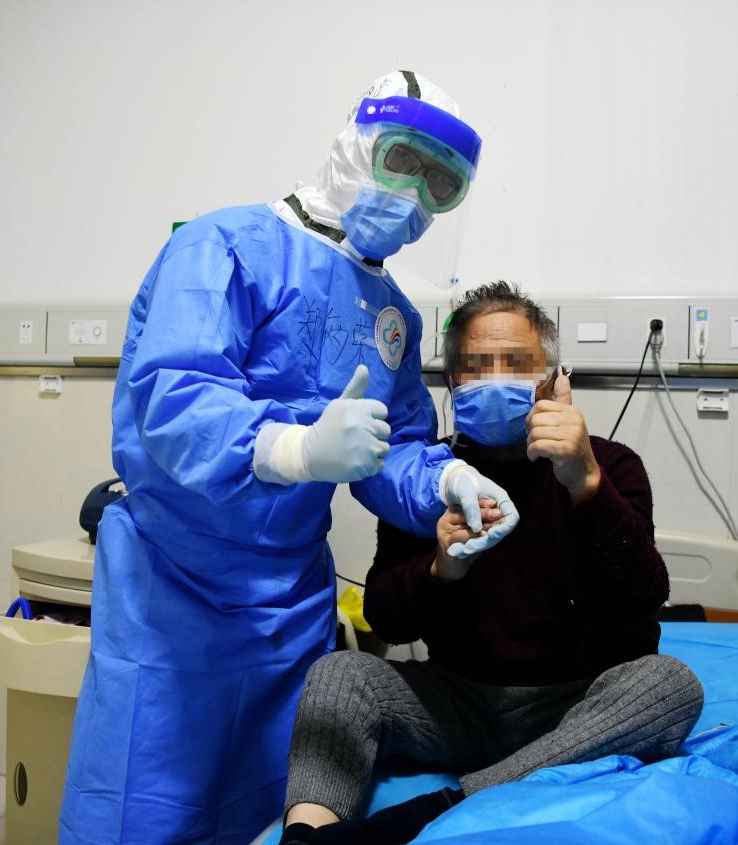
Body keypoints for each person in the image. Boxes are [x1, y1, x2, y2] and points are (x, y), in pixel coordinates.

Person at [59, 74, 521, 845]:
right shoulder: (223, 246)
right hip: (173, 586)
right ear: (355, 144)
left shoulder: (392, 315)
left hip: (291, 600)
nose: (413, 195)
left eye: (439, 183)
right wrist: (296, 447)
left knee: (273, 804)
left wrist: (443, 477)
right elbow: (173, 398)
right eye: (402, 160)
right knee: (146, 802)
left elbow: (391, 448)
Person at [277, 282, 704, 845]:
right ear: (453, 383)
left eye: (516, 364)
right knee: (340, 673)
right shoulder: (427, 476)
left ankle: (451, 804)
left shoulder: (609, 465)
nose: (496, 379)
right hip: (458, 704)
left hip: (576, 705)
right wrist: (440, 570)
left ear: (552, 378)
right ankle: (306, 836)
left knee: (670, 684)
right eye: (476, 366)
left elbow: (643, 596)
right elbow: (385, 619)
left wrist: (585, 483)